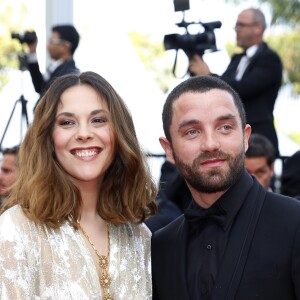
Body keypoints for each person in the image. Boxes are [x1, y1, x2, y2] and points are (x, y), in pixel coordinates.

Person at [0, 71, 157, 299]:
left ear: (118, 132)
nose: (84, 133)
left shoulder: (138, 236)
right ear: (48, 139)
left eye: (98, 120)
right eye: (67, 122)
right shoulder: (14, 232)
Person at [151, 75, 300, 299]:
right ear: (169, 149)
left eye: (225, 127)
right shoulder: (161, 245)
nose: (210, 144)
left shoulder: (295, 223)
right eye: (192, 131)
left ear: (245, 137)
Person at [188, 8, 283, 157]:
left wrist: (209, 75)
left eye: (241, 25)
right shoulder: (237, 59)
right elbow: (219, 91)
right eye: (236, 26)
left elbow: (245, 88)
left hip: (259, 139)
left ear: (258, 28)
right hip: (233, 138)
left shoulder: (270, 59)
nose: (236, 30)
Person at [26, 24, 80, 108]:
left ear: (65, 46)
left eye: (51, 41)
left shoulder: (70, 74)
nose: (48, 46)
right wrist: (32, 51)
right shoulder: (57, 67)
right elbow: (40, 87)